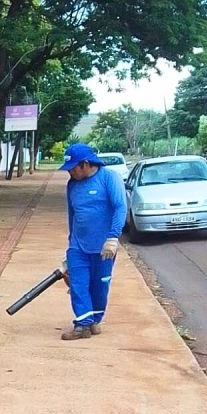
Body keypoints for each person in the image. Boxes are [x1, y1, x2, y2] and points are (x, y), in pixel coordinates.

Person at [58, 143, 127, 340]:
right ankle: (83, 325)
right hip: (78, 246)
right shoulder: (72, 184)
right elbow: (72, 215)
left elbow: (120, 207)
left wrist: (113, 237)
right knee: (78, 285)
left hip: (104, 247)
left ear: (85, 164)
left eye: (72, 168)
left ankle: (95, 319)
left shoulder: (109, 178)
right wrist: (70, 246)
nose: (70, 172)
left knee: (100, 285)